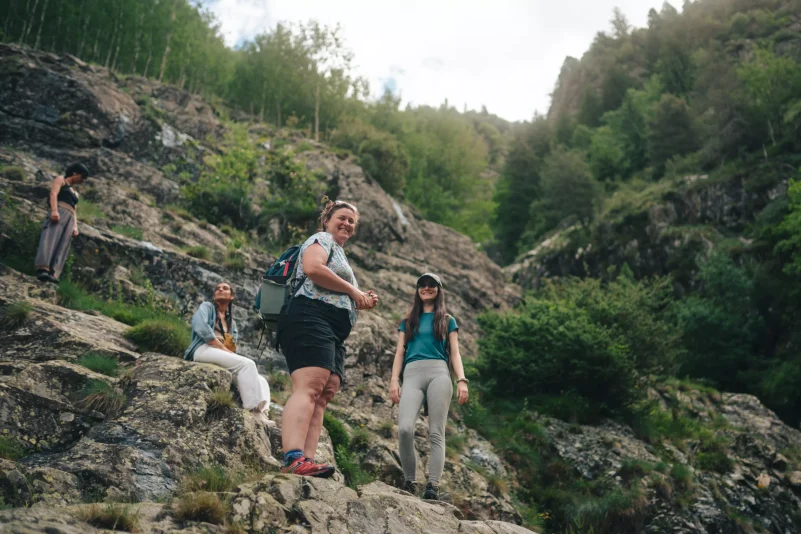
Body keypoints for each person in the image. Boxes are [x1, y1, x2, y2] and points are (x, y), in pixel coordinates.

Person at [277, 199, 378, 477]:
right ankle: (294, 458)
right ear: (327, 220)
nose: (347, 223)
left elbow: (339, 289)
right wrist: (353, 291)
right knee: (310, 386)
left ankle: (308, 460)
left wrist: (361, 298)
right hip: (309, 315)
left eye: (352, 221)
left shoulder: (340, 255)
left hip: (332, 329)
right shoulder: (321, 239)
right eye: (342, 218)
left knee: (325, 391)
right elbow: (313, 268)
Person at [389, 273, 469, 501]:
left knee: (436, 432)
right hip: (412, 373)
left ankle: (432, 485)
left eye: (431, 285)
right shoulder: (407, 322)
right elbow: (400, 352)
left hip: (439, 374)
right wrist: (395, 380)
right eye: (422, 285)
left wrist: (462, 379)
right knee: (404, 428)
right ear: (417, 290)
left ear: (438, 289)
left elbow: (455, 352)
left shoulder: (447, 320)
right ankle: (409, 480)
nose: (426, 288)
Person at [184, 281, 272, 425]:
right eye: (217, 288)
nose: (220, 290)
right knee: (248, 364)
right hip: (203, 350)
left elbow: (232, 348)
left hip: (218, 353)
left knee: (261, 379)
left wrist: (226, 347)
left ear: (231, 297)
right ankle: (253, 410)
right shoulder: (207, 307)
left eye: (225, 288)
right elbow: (200, 326)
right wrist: (220, 345)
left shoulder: (232, 324)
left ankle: (263, 413)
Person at [34, 163, 90, 283]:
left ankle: (53, 273)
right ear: (75, 173)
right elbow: (53, 194)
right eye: (82, 176)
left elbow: (74, 210)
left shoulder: (75, 193)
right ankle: (43, 268)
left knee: (62, 244)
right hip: (59, 210)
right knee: (50, 237)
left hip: (69, 217)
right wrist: (54, 210)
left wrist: (75, 226)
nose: (83, 180)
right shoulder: (61, 180)